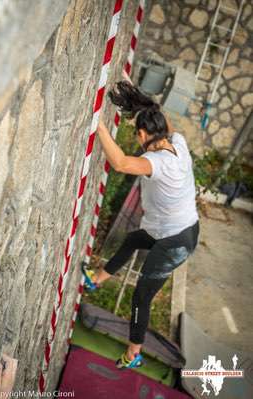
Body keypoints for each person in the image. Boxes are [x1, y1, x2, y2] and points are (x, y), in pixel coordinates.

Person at [82, 81, 199, 370]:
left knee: (142, 295)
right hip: (180, 228)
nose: (137, 140)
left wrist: (98, 124)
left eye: (137, 136)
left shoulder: (157, 162)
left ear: (144, 134)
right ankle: (96, 280)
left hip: (176, 242)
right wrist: (139, 97)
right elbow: (159, 116)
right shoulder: (178, 142)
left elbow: (120, 163)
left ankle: (134, 352)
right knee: (134, 239)